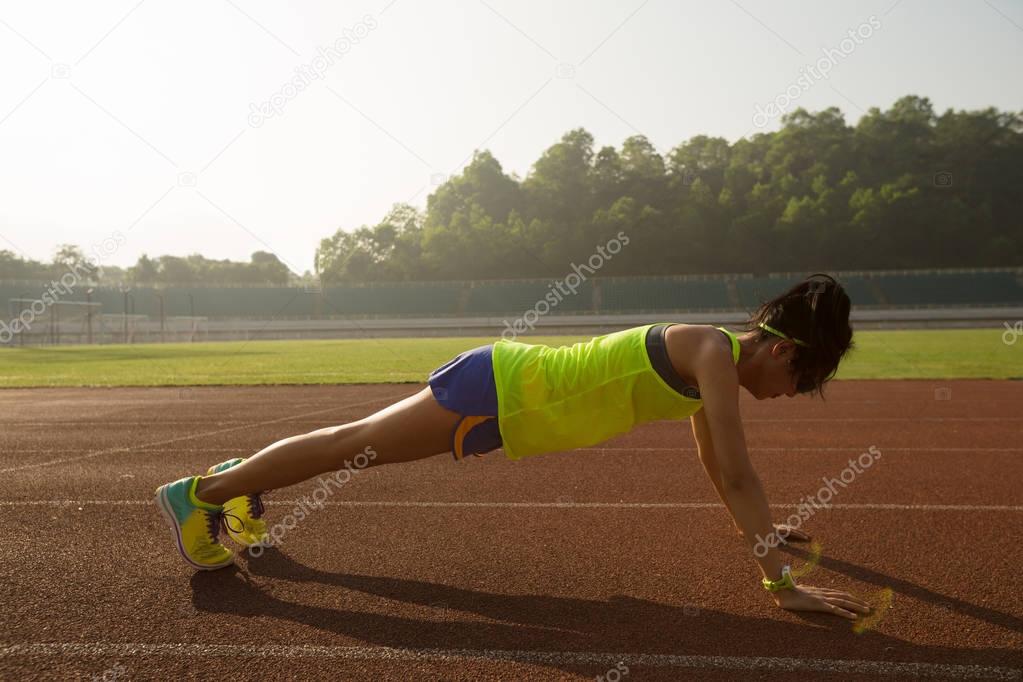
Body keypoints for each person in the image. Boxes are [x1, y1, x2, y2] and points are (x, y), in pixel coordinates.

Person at [155, 273, 870, 620]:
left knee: (353, 448)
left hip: (507, 409)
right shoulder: (711, 351)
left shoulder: (707, 362)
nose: (790, 394)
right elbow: (739, 469)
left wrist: (764, 540)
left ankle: (236, 478)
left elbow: (717, 466)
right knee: (353, 446)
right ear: (778, 352)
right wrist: (777, 579)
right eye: (801, 380)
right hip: (500, 387)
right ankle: (200, 494)